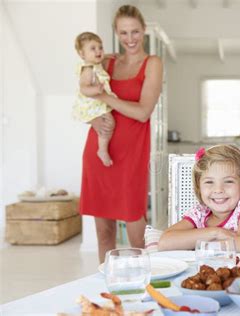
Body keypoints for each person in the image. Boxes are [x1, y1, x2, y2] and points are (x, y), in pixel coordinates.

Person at [79, 4, 163, 263]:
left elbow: (142, 112)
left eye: (135, 32)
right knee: (104, 234)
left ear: (143, 30)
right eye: (124, 33)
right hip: (99, 150)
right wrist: (93, 120)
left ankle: (145, 287)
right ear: (116, 33)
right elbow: (85, 101)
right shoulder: (106, 61)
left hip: (131, 154)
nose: (130, 39)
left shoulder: (152, 63)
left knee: (137, 235)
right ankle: (107, 290)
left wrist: (104, 96)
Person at [148, 145, 240, 253]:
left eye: (228, 181)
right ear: (199, 187)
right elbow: (165, 242)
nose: (218, 190)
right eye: (209, 182)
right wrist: (215, 232)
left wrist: (200, 244)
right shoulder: (200, 212)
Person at [74, 32, 115, 167]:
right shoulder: (88, 69)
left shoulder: (95, 64)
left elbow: (100, 58)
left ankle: (102, 148)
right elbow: (83, 88)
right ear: (82, 54)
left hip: (96, 103)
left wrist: (107, 56)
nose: (98, 51)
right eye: (93, 48)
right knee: (109, 123)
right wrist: (96, 90)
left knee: (108, 123)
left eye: (100, 47)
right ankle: (102, 149)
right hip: (91, 105)